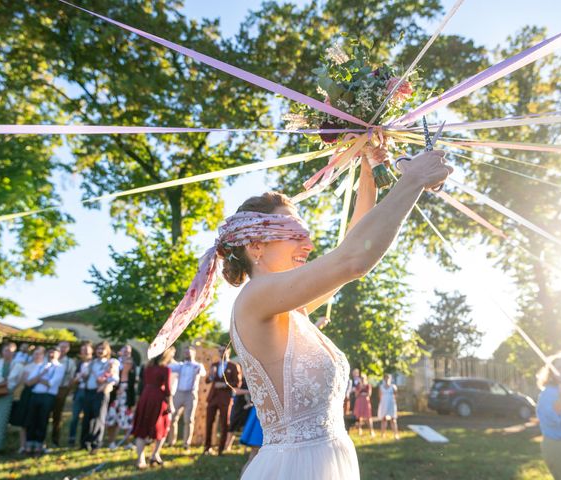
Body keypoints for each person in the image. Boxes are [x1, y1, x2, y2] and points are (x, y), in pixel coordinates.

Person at [149, 148, 451, 478]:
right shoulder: (255, 299)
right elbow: (352, 261)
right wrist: (413, 180)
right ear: (256, 245)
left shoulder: (292, 309)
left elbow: (353, 244)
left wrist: (367, 169)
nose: (308, 244)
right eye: (294, 234)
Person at [131, 347, 175, 469]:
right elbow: (168, 390)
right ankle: (155, 454)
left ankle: (141, 459)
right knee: (163, 426)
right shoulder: (165, 369)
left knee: (142, 426)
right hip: (157, 399)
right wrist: (170, 404)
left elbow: (143, 383)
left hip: (146, 396)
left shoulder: (147, 367)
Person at [25, 345, 65, 454]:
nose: (51, 355)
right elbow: (29, 382)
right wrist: (42, 376)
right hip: (35, 394)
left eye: (54, 353)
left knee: (42, 420)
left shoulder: (60, 367)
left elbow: (51, 383)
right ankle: (29, 444)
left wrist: (38, 379)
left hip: (48, 396)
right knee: (31, 419)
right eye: (50, 352)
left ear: (58, 354)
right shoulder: (41, 366)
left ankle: (39, 445)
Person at [204, 345, 242, 456]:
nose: (221, 352)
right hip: (212, 398)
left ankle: (221, 449)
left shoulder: (234, 366)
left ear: (228, 351)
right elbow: (207, 380)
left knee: (224, 423)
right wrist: (211, 375)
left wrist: (225, 385)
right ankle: (207, 448)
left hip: (225, 399)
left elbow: (237, 383)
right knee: (209, 423)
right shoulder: (214, 365)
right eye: (219, 351)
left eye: (223, 350)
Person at [81, 341, 118, 453]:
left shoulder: (110, 363)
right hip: (89, 392)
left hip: (101, 393)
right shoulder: (91, 363)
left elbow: (115, 379)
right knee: (87, 417)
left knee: (99, 417)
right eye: (98, 349)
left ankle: (96, 443)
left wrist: (106, 385)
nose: (100, 351)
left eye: (103, 349)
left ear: (107, 351)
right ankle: (84, 442)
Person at [167, 345, 206, 450]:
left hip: (191, 394)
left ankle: (186, 443)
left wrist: (198, 371)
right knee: (172, 417)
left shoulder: (198, 365)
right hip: (179, 393)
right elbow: (169, 367)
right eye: (185, 353)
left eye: (188, 352)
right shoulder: (180, 365)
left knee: (189, 419)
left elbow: (203, 373)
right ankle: (171, 441)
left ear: (193, 353)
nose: (187, 354)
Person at [11, 346, 46, 454]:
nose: (37, 356)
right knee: (25, 420)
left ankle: (39, 445)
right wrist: (40, 377)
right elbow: (27, 382)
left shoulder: (46, 367)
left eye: (40, 354)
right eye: (35, 353)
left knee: (39, 420)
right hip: (28, 395)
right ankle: (23, 445)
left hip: (41, 395)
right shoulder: (28, 367)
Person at [106, 356, 136, 450]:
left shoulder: (132, 376)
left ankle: (128, 443)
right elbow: (111, 384)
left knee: (127, 423)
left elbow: (133, 392)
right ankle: (111, 442)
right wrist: (116, 390)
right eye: (125, 363)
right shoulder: (116, 373)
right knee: (112, 423)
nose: (127, 365)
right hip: (115, 402)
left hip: (126, 403)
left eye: (129, 363)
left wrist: (132, 404)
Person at [51, 341, 76, 446]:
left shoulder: (70, 362)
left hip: (61, 389)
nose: (63, 349)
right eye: (61, 347)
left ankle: (55, 439)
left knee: (57, 416)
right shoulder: (49, 359)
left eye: (65, 347)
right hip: (46, 390)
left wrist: (67, 391)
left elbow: (71, 379)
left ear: (68, 349)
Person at [68, 341, 93, 447]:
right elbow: (72, 380)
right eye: (83, 350)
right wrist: (76, 379)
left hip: (90, 392)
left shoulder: (95, 363)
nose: (85, 352)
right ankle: (71, 438)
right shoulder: (78, 364)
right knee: (74, 417)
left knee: (87, 418)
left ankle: (85, 439)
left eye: (87, 349)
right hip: (79, 391)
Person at [377, 373, 399, 439]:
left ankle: (395, 434)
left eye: (388, 378)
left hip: (391, 404)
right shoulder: (381, 387)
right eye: (385, 378)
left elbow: (396, 395)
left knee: (393, 419)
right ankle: (383, 434)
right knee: (384, 419)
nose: (387, 379)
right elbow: (380, 396)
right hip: (384, 404)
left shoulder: (393, 387)